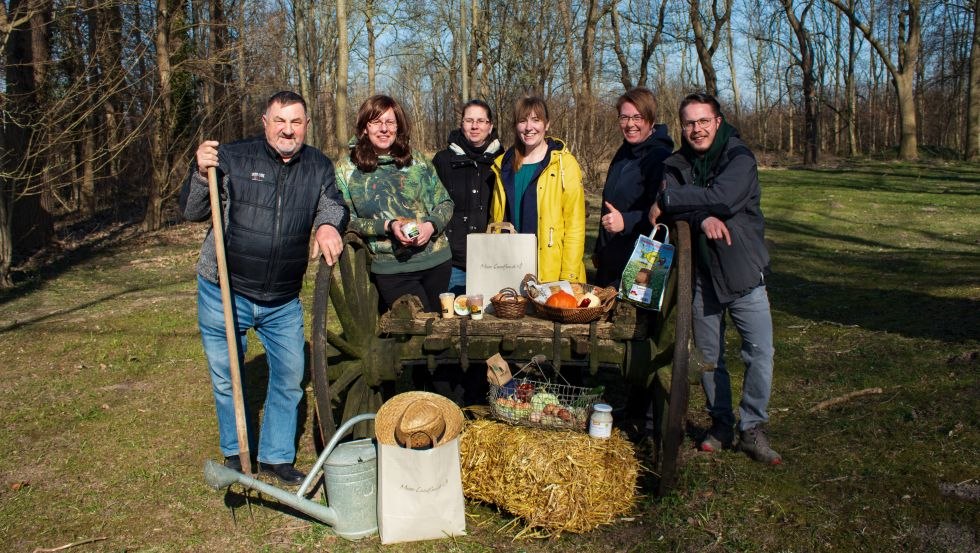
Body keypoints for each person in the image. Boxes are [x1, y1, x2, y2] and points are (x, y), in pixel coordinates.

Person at [179, 91, 349, 484]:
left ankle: (275, 457)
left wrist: (327, 224)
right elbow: (191, 211)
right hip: (225, 289)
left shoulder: (318, 167)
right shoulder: (234, 158)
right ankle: (237, 453)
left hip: (281, 298)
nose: (288, 130)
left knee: (290, 375)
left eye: (296, 122)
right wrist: (199, 171)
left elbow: (333, 205)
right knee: (227, 375)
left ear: (307, 125)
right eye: (280, 121)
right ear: (265, 122)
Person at [649, 92, 781, 465]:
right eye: (690, 123)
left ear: (718, 122)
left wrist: (677, 201)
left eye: (703, 121)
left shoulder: (738, 157)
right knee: (708, 356)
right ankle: (720, 423)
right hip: (702, 276)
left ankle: (753, 427)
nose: (697, 129)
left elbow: (723, 198)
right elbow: (673, 218)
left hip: (742, 271)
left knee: (759, 353)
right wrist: (700, 217)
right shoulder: (675, 163)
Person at [335, 94, 454, 312]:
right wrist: (387, 226)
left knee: (438, 332)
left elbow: (445, 202)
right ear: (364, 128)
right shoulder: (347, 169)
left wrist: (430, 226)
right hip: (391, 267)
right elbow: (347, 220)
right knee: (418, 332)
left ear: (398, 127)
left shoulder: (417, 160)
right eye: (376, 122)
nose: (384, 129)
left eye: (390, 122)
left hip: (436, 261)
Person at [490, 96, 585, 283]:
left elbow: (575, 227)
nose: (528, 127)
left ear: (547, 124)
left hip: (552, 272)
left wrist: (569, 278)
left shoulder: (565, 165)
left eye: (536, 120)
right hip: (510, 268)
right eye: (522, 120)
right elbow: (497, 219)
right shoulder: (503, 166)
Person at [594, 87, 674, 287]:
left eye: (637, 117)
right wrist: (599, 250)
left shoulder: (659, 158)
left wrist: (626, 221)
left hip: (638, 266)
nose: (630, 124)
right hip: (611, 259)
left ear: (651, 120)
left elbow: (663, 212)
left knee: (627, 318)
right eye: (624, 117)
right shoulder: (625, 151)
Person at [432, 99, 502, 294]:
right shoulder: (443, 161)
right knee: (452, 319)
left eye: (481, 121)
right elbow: (430, 205)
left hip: (493, 261)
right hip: (453, 260)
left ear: (490, 126)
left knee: (492, 321)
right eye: (469, 120)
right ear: (461, 124)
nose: (474, 126)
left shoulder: (504, 161)